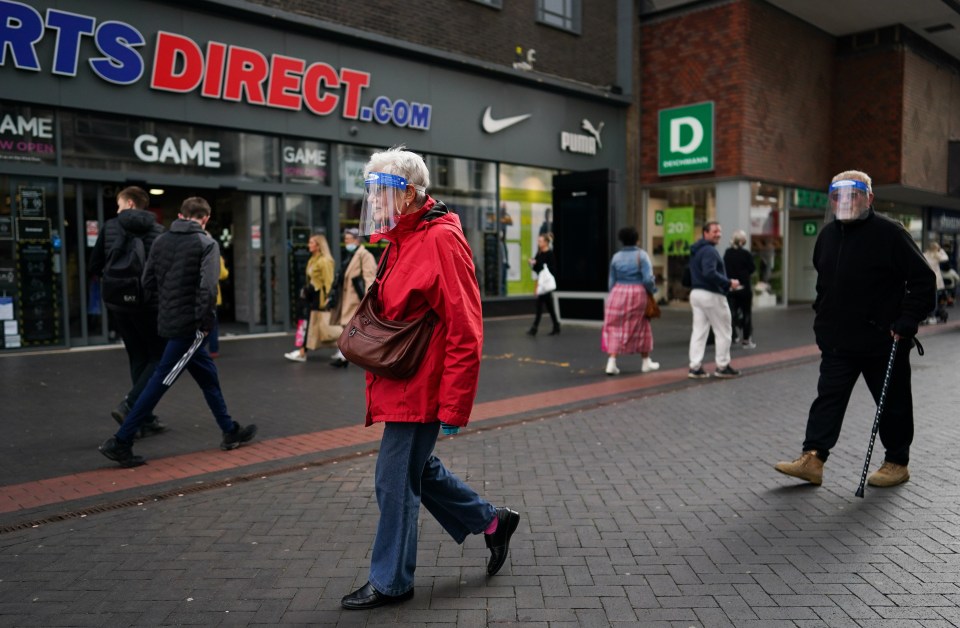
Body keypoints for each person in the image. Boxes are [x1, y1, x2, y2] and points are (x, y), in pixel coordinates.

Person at [340, 147, 519, 610]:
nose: (374, 202)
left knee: (393, 480)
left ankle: (391, 582)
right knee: (418, 470)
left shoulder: (440, 240)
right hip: (402, 380)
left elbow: (466, 327)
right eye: (370, 191)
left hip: (420, 386)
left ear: (409, 194)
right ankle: (492, 521)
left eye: (381, 191)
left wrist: (455, 405)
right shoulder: (402, 239)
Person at [774, 170, 935, 488]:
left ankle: (896, 461)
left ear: (869, 198)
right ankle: (813, 457)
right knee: (828, 399)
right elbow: (824, 285)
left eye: (854, 194)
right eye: (838, 195)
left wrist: (907, 319)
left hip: (884, 338)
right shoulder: (828, 235)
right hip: (838, 340)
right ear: (832, 199)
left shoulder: (890, 233)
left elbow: (923, 280)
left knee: (892, 402)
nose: (845, 201)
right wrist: (821, 319)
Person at [98, 196, 257, 468]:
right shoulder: (206, 243)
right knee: (160, 380)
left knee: (208, 377)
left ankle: (229, 429)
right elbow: (208, 289)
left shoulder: (161, 241)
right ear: (204, 218)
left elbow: (148, 282)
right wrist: (205, 323)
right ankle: (121, 441)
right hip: (191, 328)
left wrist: (165, 311)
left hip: (169, 320)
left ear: (182, 215)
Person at [88, 186, 167, 437]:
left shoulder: (110, 227)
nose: (118, 209)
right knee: (158, 358)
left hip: (119, 305)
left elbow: (94, 264)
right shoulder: (158, 230)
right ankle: (132, 406)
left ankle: (143, 418)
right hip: (148, 305)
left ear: (130, 203)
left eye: (119, 204)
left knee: (138, 358)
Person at [601, 226, 660, 375]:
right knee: (641, 325)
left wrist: (614, 293)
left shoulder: (616, 257)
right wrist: (652, 290)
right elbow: (647, 279)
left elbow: (611, 281)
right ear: (637, 239)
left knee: (614, 327)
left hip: (617, 293)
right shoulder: (642, 255)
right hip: (637, 293)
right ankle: (646, 362)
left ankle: (611, 363)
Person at [687, 221, 741, 379]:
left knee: (699, 332)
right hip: (712, 295)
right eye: (715, 231)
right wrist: (728, 282)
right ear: (705, 233)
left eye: (719, 231)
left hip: (696, 293)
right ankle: (722, 366)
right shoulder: (710, 251)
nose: (718, 234)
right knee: (723, 331)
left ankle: (695, 367)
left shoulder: (696, 250)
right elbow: (709, 272)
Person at [327, 227, 376, 367]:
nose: (345, 242)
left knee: (352, 328)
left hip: (356, 298)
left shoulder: (365, 256)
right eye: (345, 239)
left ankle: (344, 354)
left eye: (348, 239)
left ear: (356, 240)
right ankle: (343, 353)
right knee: (347, 327)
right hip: (346, 297)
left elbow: (369, 278)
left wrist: (368, 299)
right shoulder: (350, 256)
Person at [283, 233, 334, 362]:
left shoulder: (325, 261)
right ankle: (302, 351)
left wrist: (329, 298)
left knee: (316, 324)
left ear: (319, 245)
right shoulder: (313, 259)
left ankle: (302, 352)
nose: (308, 245)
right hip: (310, 296)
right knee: (307, 323)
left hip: (319, 297)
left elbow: (329, 282)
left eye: (311, 243)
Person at [723, 229, 757, 348]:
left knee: (731, 313)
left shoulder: (727, 253)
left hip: (731, 287)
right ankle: (746, 340)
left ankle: (734, 336)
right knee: (747, 313)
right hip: (744, 288)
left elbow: (724, 268)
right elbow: (752, 268)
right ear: (743, 241)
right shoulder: (746, 254)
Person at [526, 233, 560, 336]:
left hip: (546, 285)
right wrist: (533, 263)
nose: (538, 243)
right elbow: (537, 269)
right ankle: (556, 325)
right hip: (541, 284)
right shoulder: (539, 253)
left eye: (540, 241)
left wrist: (538, 264)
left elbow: (552, 269)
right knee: (549, 306)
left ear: (546, 242)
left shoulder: (550, 254)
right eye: (538, 241)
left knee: (540, 306)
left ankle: (535, 328)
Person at [207, 254, 229, 358]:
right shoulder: (216, 256)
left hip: (196, 296)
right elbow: (224, 274)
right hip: (213, 296)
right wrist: (222, 263)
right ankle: (213, 350)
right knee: (213, 325)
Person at [923, 241, 947, 324]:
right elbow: (945, 257)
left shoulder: (925, 254)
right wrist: (941, 250)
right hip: (935, 281)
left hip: (926, 280)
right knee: (934, 299)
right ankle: (932, 317)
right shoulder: (937, 255)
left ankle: (925, 317)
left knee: (925, 299)